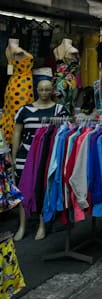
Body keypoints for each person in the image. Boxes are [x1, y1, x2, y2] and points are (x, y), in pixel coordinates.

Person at [13, 77, 68, 241]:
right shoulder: (24, 110)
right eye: (41, 89)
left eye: (47, 89)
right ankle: (22, 225)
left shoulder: (60, 110)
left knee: (45, 187)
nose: (44, 93)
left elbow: (64, 134)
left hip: (47, 155)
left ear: (52, 90)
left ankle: (42, 224)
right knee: (22, 190)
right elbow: (17, 134)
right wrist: (14, 157)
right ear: (36, 90)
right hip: (26, 153)